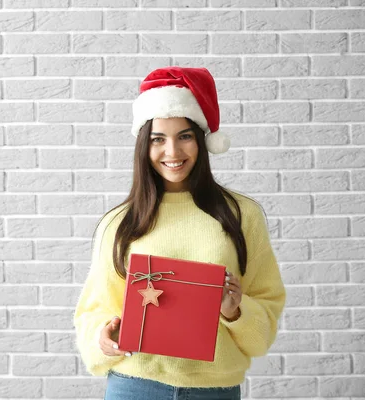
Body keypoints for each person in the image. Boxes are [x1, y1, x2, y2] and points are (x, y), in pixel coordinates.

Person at [73, 67, 286, 400]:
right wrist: (103, 335)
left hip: (214, 390)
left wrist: (235, 310)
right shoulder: (118, 222)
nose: (172, 152)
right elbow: (92, 310)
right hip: (134, 386)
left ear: (201, 140)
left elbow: (264, 320)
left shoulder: (242, 215)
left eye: (184, 136)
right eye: (159, 139)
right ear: (145, 145)